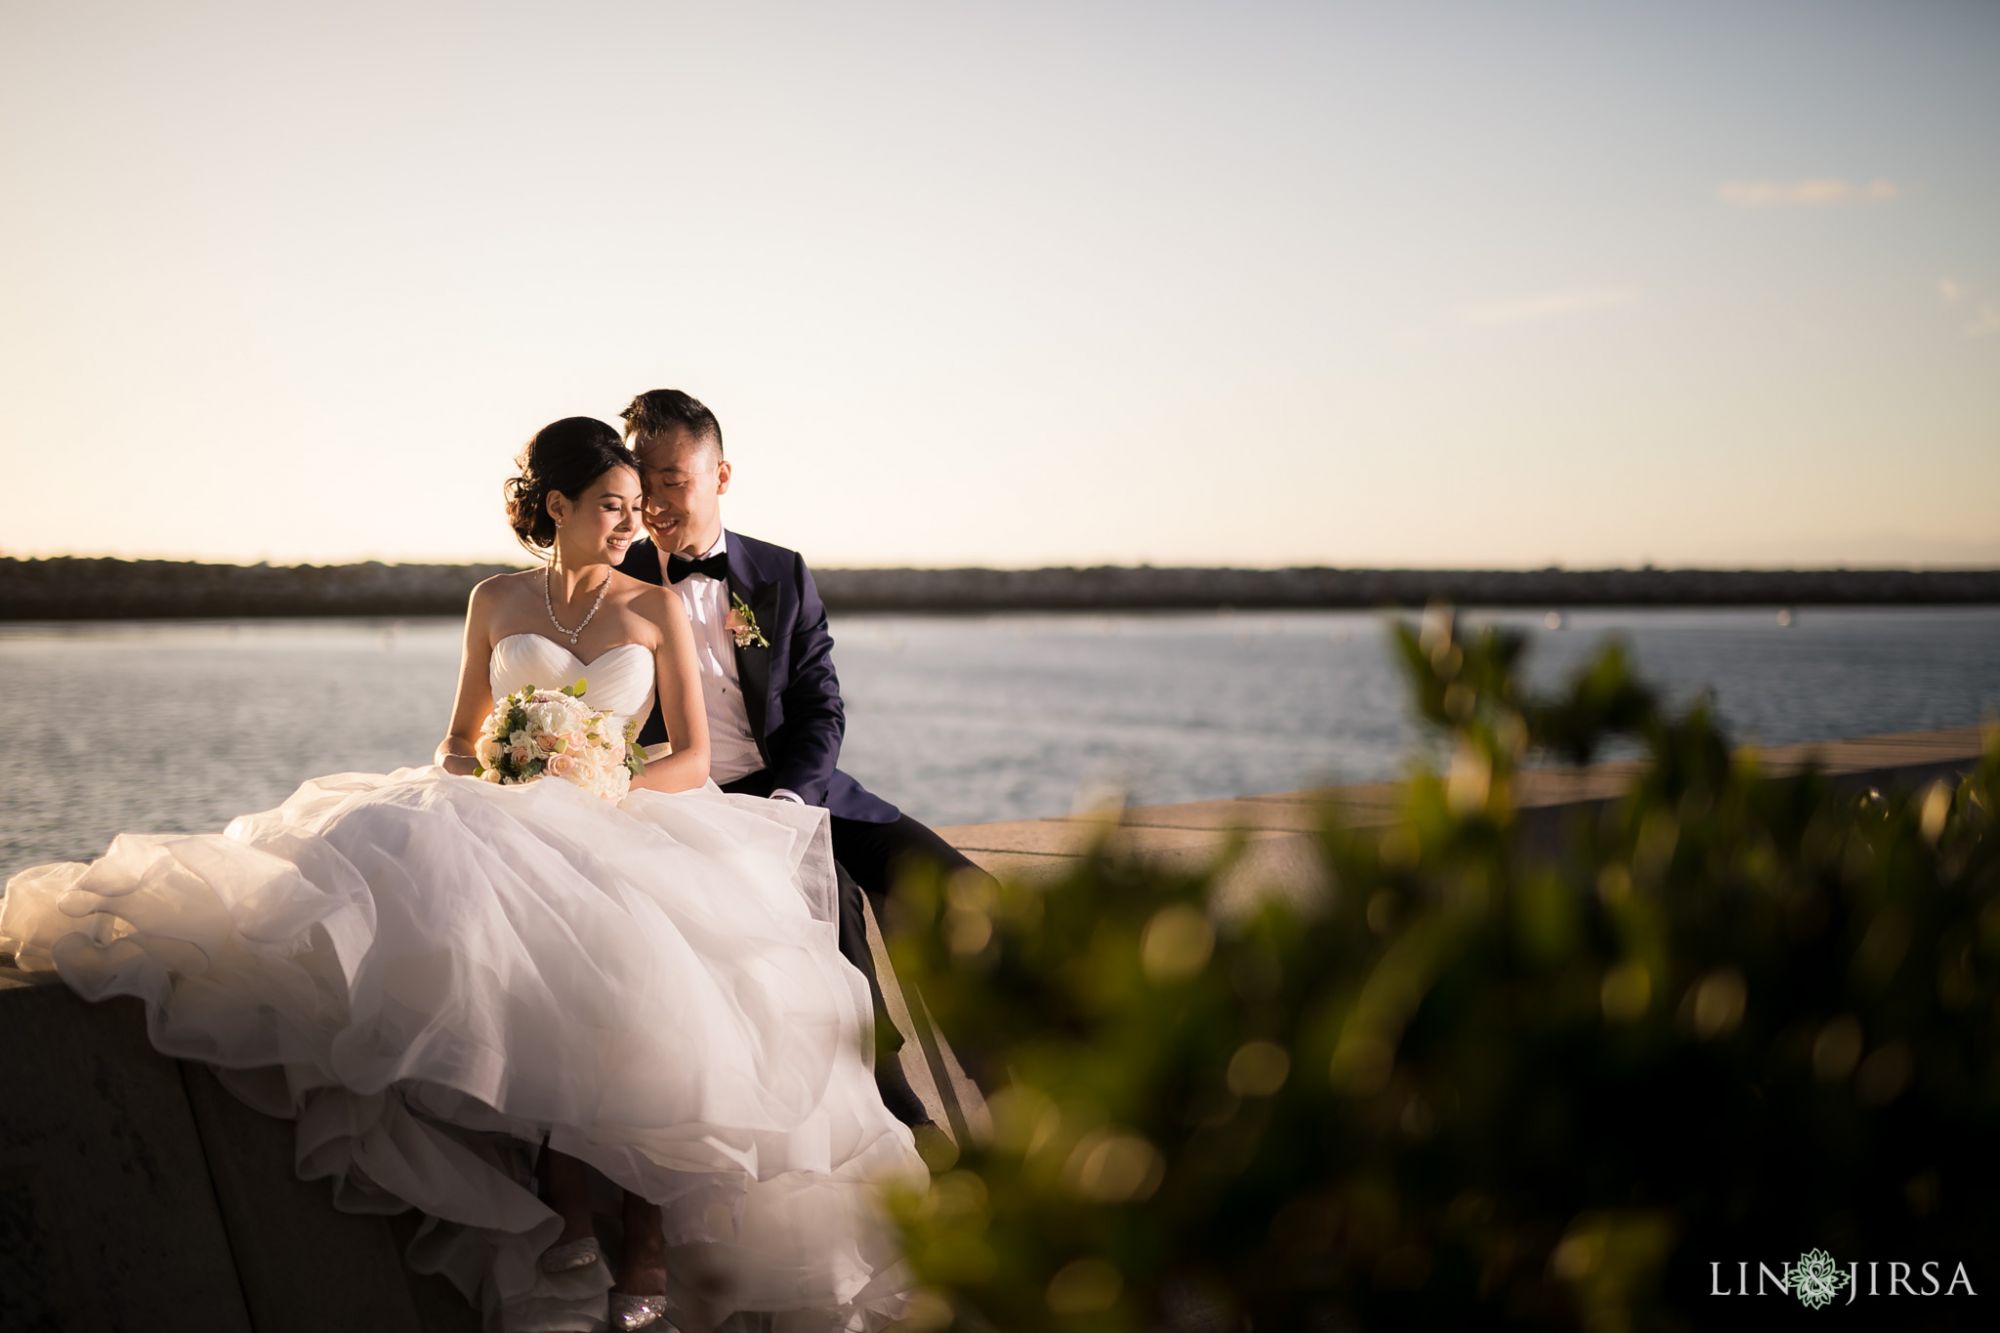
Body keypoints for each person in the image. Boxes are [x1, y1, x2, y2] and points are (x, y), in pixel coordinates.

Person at [0, 418, 925, 1333]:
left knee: (650, 968)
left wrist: (603, 782)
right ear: (556, 505)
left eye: (640, 507)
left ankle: (634, 1238)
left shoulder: (653, 608)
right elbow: (455, 739)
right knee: (424, 890)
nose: (632, 526)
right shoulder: (494, 600)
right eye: (612, 506)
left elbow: (687, 753)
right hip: (508, 810)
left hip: (621, 814)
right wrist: (505, 768)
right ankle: (563, 1210)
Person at [614, 389, 998, 1134]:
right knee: (839, 905)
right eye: (641, 476)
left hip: (799, 789)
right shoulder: (617, 576)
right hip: (693, 800)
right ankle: (899, 1115)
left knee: (960, 889)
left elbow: (821, 707)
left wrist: (793, 799)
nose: (655, 499)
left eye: (673, 479)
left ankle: (1012, 1087)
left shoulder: (779, 572)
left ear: (720, 475)